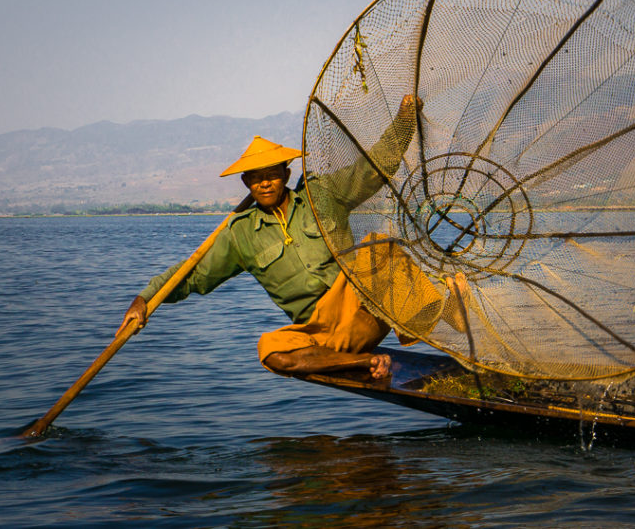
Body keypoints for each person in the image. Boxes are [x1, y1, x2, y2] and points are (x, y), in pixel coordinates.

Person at [118, 95, 422, 380]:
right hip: (325, 335)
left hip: (364, 309)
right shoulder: (242, 234)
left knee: (380, 249)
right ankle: (364, 362)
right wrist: (144, 299)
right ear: (246, 182)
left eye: (271, 174)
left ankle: (420, 324)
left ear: (286, 175)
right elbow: (192, 274)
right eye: (255, 177)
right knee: (271, 350)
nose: (264, 183)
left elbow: (372, 168)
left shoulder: (322, 196)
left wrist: (405, 121)